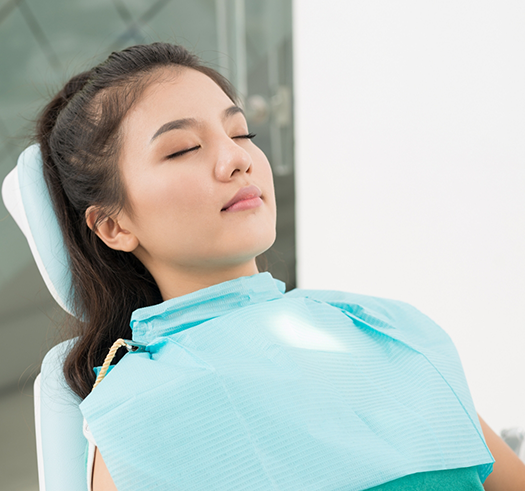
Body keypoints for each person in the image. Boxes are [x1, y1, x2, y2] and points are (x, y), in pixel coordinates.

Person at [33, 42, 525, 490]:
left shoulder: (383, 326)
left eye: (241, 132)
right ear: (113, 226)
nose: (236, 159)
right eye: (183, 149)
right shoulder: (138, 408)